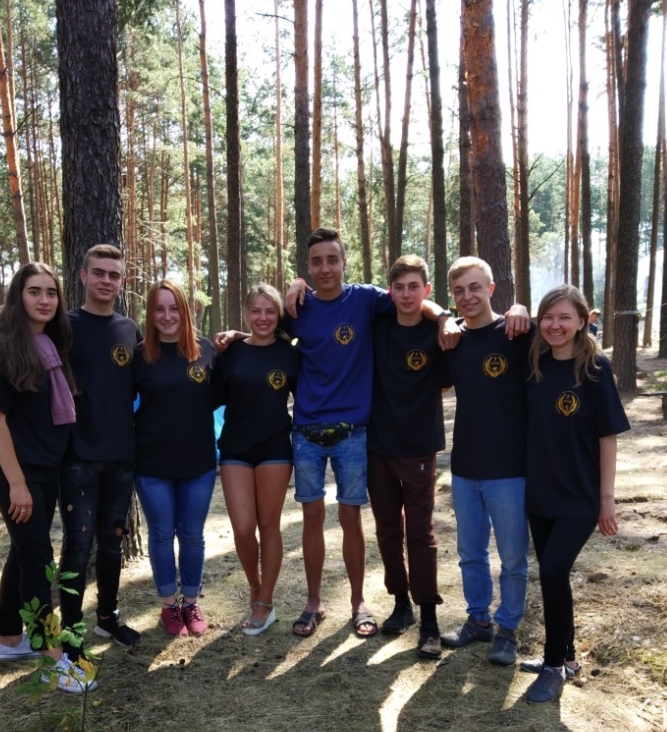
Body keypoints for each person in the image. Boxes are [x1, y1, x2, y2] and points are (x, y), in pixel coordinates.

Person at [283, 228, 460, 639]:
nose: (326, 268)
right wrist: (290, 289)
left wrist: (445, 317)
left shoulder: (365, 299)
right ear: (307, 267)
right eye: (316, 262)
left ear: (345, 263)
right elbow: (264, 329)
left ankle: (365, 603)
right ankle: (316, 602)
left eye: (333, 259)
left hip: (356, 432)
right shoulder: (299, 306)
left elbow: (412, 297)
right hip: (309, 431)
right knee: (322, 519)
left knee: (356, 519)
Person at [0, 263, 94, 693]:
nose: (44, 300)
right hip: (16, 473)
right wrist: (17, 484)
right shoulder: (6, 346)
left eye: (51, 292)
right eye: (34, 291)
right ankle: (53, 660)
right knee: (38, 561)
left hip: (43, 469)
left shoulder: (48, 343)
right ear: (18, 296)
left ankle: (9, 638)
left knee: (23, 552)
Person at [519, 286, 630, 703]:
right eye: (548, 317)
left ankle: (552, 668)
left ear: (582, 321)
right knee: (554, 575)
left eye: (565, 317)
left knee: (552, 571)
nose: (555, 325)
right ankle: (566, 657)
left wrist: (606, 499)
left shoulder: (596, 370)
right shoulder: (534, 365)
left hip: (580, 496)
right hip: (540, 492)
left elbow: (607, 438)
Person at [438, 257, 533, 666]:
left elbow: (561, 330)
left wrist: (522, 308)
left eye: (475, 287)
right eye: (459, 291)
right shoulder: (452, 340)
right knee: (470, 553)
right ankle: (478, 620)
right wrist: (444, 319)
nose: (467, 297)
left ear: (492, 289)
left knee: (512, 557)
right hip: (464, 466)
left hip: (510, 469)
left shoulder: (517, 333)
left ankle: (507, 629)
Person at [58, 244, 141, 655]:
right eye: (99, 273)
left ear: (122, 282)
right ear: (83, 276)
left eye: (114, 275)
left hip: (121, 456)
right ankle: (70, 635)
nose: (106, 280)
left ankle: (107, 617)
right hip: (77, 457)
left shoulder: (130, 330)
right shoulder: (64, 326)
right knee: (77, 546)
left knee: (112, 541)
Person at [367, 255, 449, 658]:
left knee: (420, 533)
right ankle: (401, 604)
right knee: (387, 530)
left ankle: (429, 615)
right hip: (378, 445)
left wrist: (444, 317)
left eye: (414, 286)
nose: (406, 294)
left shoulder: (440, 333)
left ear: (426, 290)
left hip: (419, 446)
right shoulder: (377, 325)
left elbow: (447, 383)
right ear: (390, 291)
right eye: (398, 287)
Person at [212, 284, 299, 635]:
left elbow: (309, 396)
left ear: (278, 315)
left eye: (270, 311)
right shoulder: (230, 352)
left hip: (275, 449)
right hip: (235, 449)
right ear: (247, 313)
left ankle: (265, 601)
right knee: (244, 528)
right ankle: (254, 585)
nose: (263, 318)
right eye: (256, 311)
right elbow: (211, 396)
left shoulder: (290, 354)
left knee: (269, 524)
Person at [133, 280, 217, 637]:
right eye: (159, 309)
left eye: (173, 308)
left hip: (199, 463)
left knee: (193, 535)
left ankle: (191, 602)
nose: (167, 316)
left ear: (185, 311)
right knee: (162, 534)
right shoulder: (139, 356)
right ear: (150, 313)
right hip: (152, 465)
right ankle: (169, 605)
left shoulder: (207, 350)